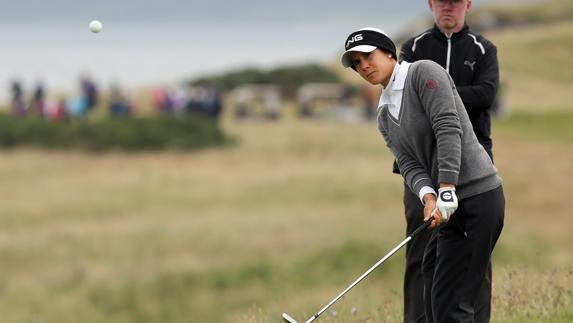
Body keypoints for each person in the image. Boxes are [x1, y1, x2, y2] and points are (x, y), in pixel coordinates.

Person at [340, 27, 504, 323]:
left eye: (367, 56)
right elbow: (409, 164)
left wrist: (446, 187)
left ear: (388, 52)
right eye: (355, 63)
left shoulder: (423, 73)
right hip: (447, 204)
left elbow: (447, 127)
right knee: (432, 291)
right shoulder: (383, 113)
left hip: (477, 197)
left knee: (453, 304)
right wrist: (428, 196)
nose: (362, 66)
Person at [398, 1, 500, 322]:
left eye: (455, 2)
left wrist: (440, 96)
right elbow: (404, 98)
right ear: (430, 4)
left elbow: (486, 95)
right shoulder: (414, 47)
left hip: (474, 169)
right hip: (425, 168)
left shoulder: (483, 50)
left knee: (475, 255)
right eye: (441, 1)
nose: (448, 8)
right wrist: (447, 97)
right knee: (420, 251)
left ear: (467, 5)